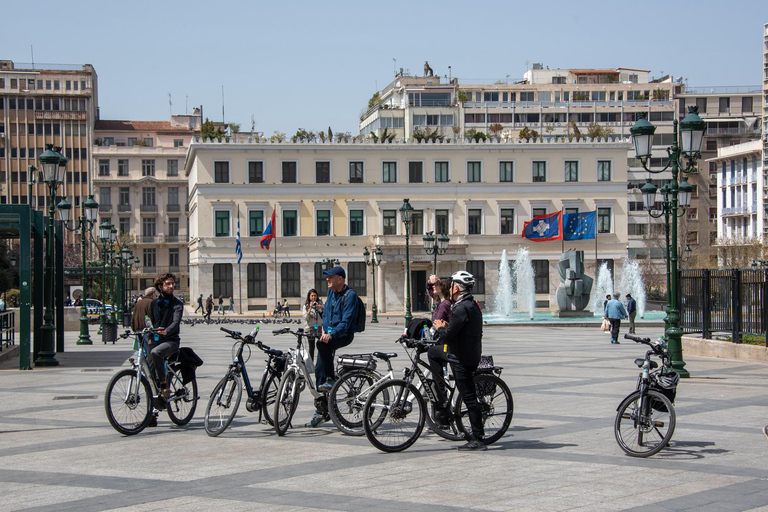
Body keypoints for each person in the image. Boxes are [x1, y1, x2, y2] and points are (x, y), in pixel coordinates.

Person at [432, 270, 486, 451]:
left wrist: (440, 328)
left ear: (457, 287)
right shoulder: (468, 304)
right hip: (465, 353)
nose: (449, 287)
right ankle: (441, 394)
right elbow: (459, 329)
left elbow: (448, 336)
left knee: (469, 398)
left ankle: (478, 438)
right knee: (434, 353)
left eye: (452, 284)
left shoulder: (462, 307)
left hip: (463, 357)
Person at [306, 266, 358, 428]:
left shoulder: (350, 296)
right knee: (319, 367)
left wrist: (332, 334)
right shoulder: (331, 293)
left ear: (340, 279)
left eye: (330, 277)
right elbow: (327, 312)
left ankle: (330, 380)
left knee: (323, 346)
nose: (327, 279)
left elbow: (346, 321)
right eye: (327, 277)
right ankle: (322, 407)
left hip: (344, 334)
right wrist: (323, 329)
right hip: (329, 333)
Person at [147, 273, 184, 405]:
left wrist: (166, 330)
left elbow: (176, 322)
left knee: (156, 352)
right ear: (160, 286)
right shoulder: (154, 303)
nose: (171, 286)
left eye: (173, 283)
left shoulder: (177, 304)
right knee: (149, 374)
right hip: (156, 339)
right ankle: (152, 413)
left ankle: (164, 384)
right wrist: (150, 335)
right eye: (168, 284)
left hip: (171, 341)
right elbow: (152, 321)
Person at [301, 289, 324, 361]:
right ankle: (311, 364)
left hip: (319, 328)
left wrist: (321, 308)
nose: (313, 297)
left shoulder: (320, 304)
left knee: (322, 345)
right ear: (309, 296)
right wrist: (310, 308)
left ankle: (321, 362)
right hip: (310, 328)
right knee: (311, 348)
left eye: (315, 296)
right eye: (312, 296)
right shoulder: (306, 306)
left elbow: (325, 316)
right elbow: (306, 318)